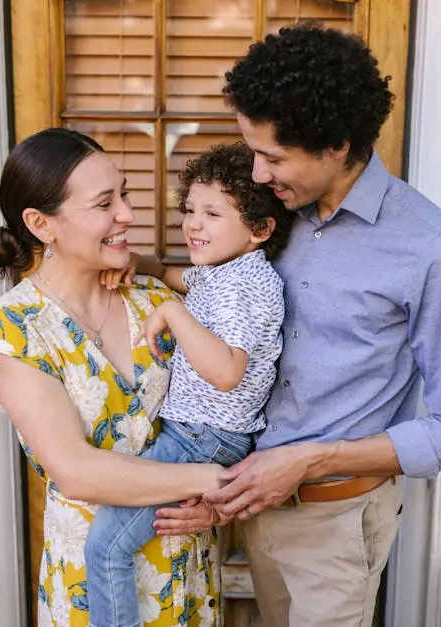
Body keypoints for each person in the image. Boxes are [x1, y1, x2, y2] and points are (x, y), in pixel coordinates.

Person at [188, 23, 441, 626]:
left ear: (336, 145)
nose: (255, 175)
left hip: (336, 525)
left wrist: (307, 463)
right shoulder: (272, 217)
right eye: (252, 151)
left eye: (273, 157)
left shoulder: (433, 251)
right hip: (246, 505)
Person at [0, 127, 223, 627]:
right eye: (105, 203)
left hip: (188, 572)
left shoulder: (156, 300)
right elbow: (76, 470)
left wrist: (218, 509)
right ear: (42, 224)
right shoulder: (14, 329)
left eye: (124, 194)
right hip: (95, 587)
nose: (127, 214)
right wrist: (220, 483)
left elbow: (228, 400)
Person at [84, 141, 293, 627]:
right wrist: (148, 267)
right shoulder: (225, 273)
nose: (194, 224)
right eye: (191, 210)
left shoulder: (246, 286)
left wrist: (173, 313)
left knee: (106, 545)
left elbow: (227, 372)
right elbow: (182, 278)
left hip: (203, 436)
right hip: (201, 435)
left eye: (213, 213)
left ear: (260, 230)